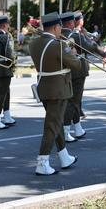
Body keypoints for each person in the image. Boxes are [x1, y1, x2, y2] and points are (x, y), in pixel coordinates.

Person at [29, 12, 82, 175]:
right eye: (59, 27)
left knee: (55, 123)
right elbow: (76, 65)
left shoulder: (34, 44)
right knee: (52, 126)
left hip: (44, 88)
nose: (61, 29)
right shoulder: (58, 45)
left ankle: (64, 156)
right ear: (55, 27)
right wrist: (72, 51)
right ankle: (42, 161)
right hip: (59, 90)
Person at [61, 12, 106, 142]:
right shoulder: (74, 35)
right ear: (71, 23)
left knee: (75, 101)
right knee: (74, 101)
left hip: (65, 71)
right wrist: (103, 53)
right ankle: (65, 131)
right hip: (77, 72)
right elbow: (90, 46)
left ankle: (77, 127)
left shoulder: (59, 35)